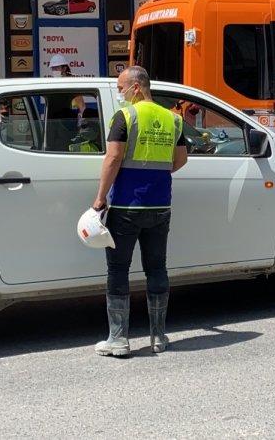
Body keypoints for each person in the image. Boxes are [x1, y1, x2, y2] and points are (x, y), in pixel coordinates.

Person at [91, 66, 188, 357]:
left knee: (118, 269)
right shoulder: (173, 119)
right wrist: (155, 177)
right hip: (160, 205)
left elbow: (113, 157)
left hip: (126, 206)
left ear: (136, 87)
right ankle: (158, 337)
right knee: (156, 268)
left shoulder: (125, 116)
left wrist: (99, 199)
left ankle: (118, 339)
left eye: (121, 88)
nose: (119, 93)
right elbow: (181, 160)